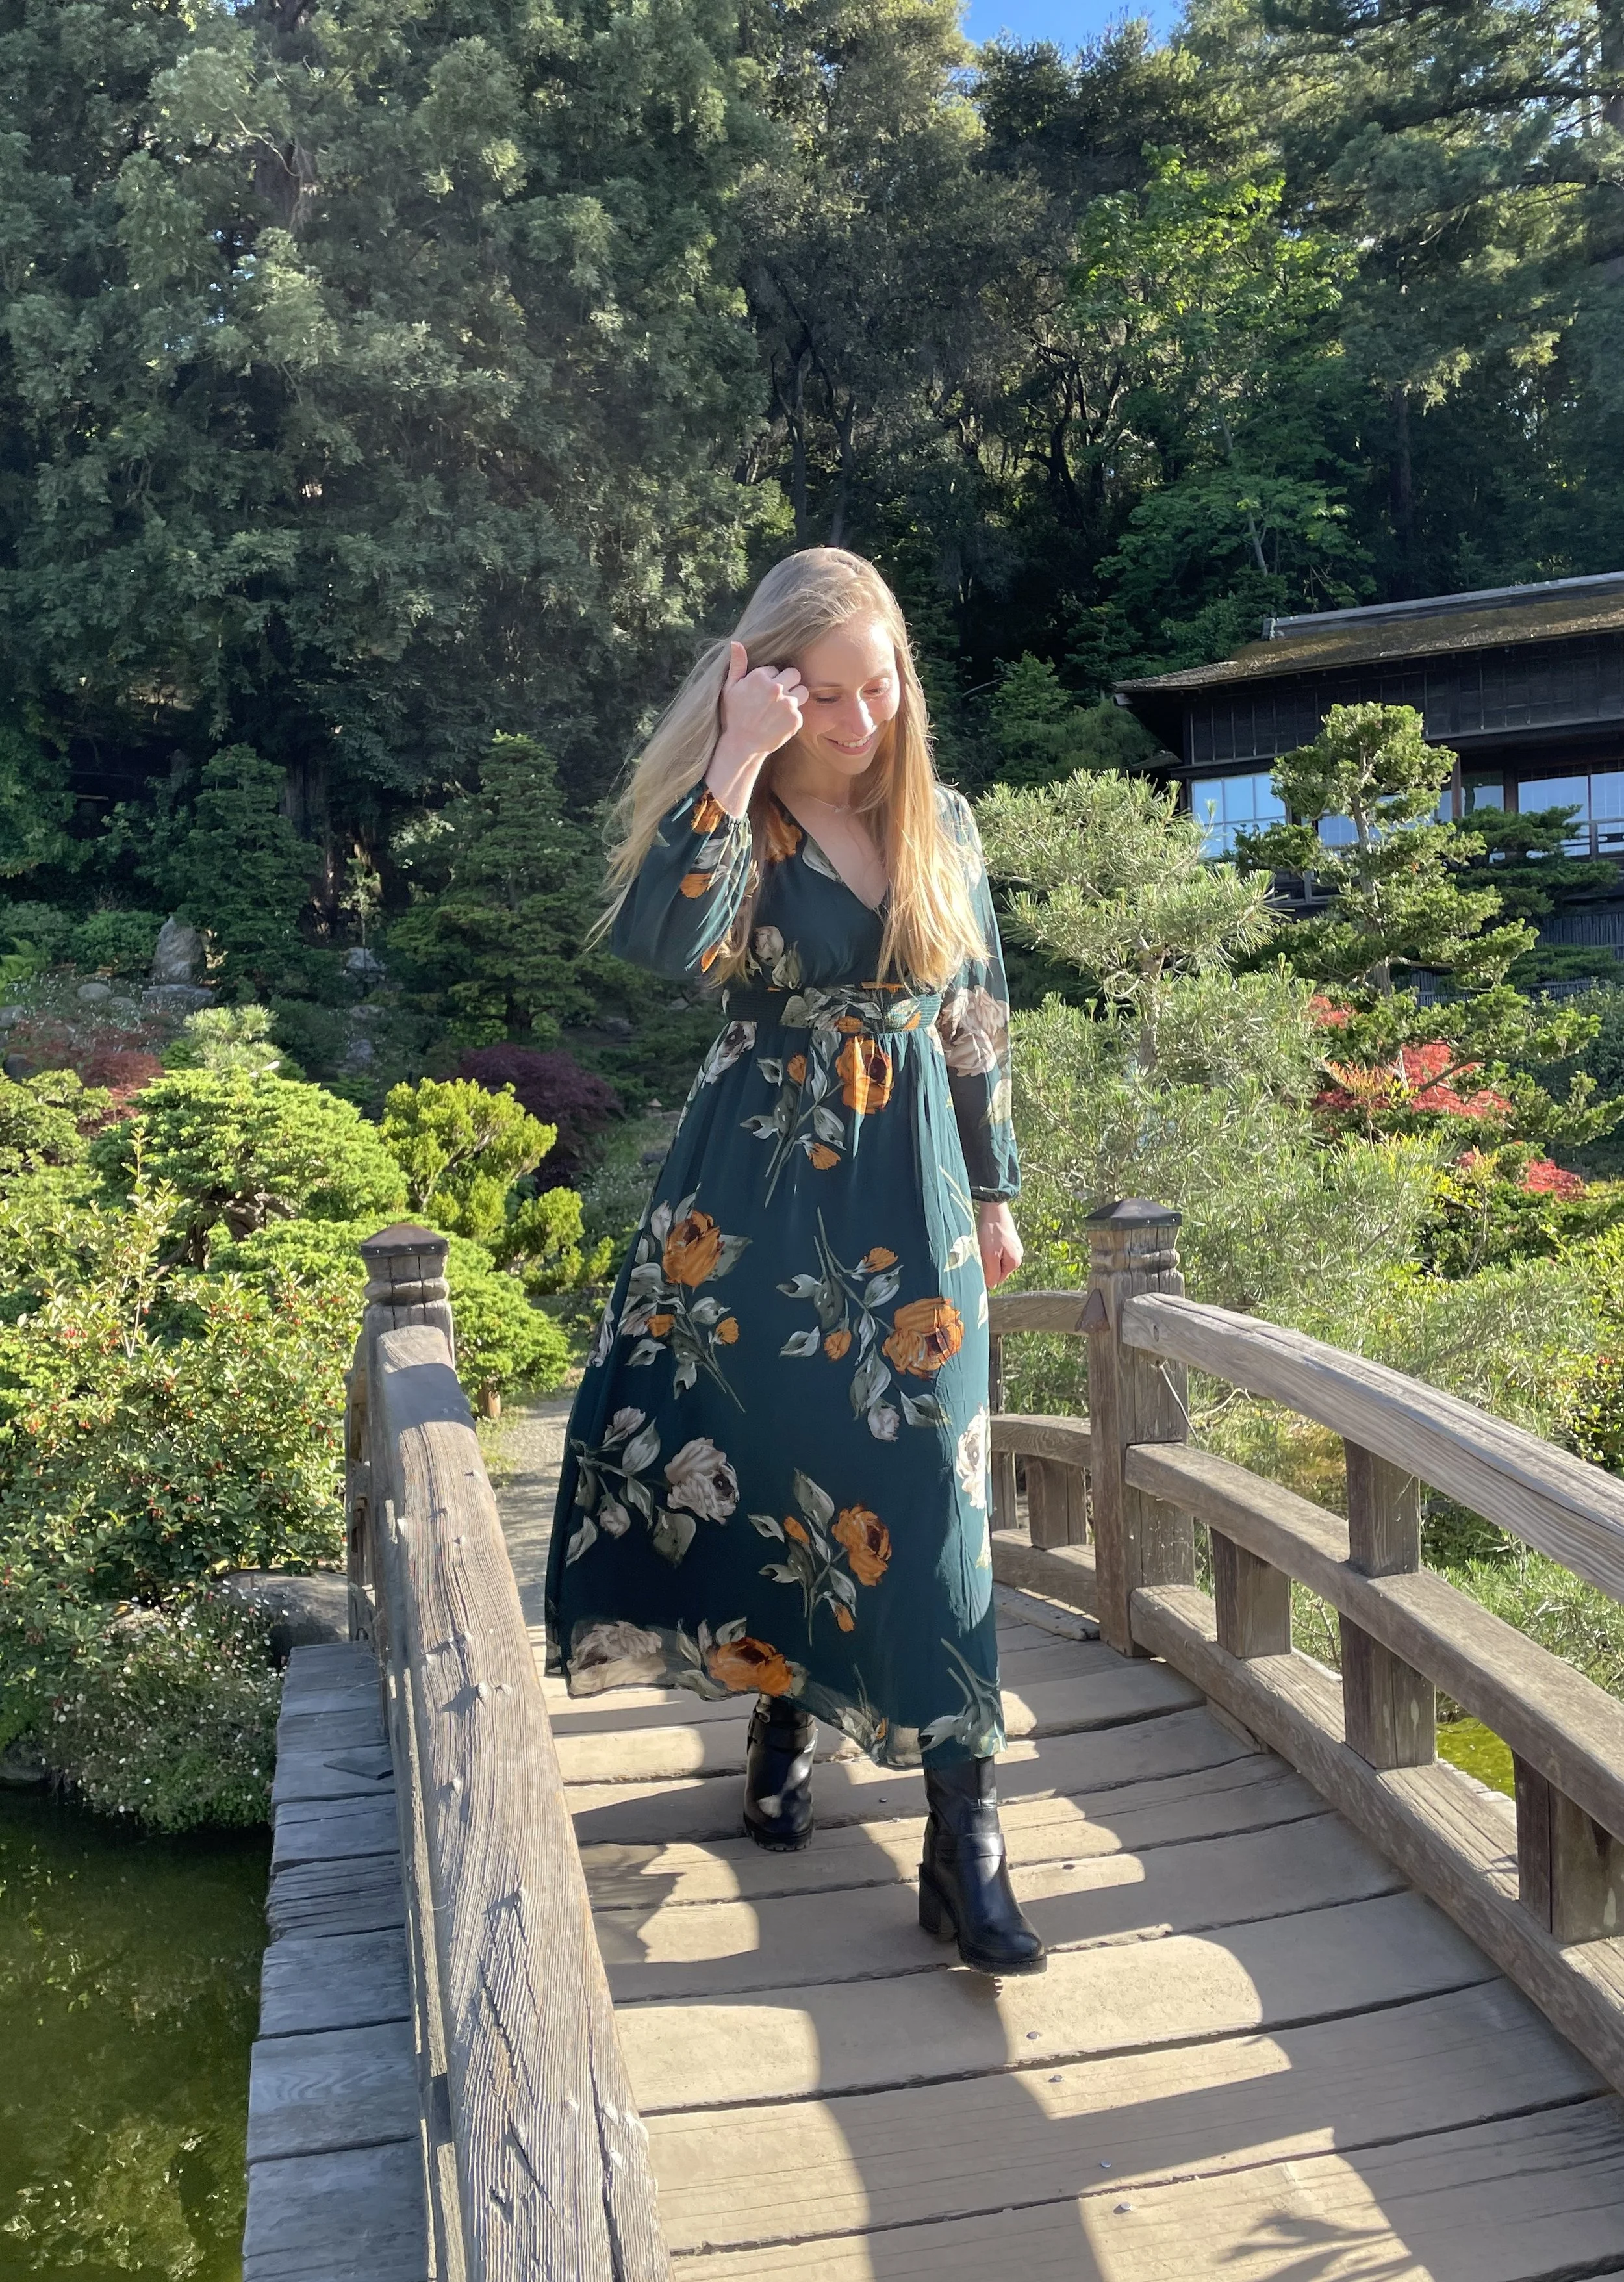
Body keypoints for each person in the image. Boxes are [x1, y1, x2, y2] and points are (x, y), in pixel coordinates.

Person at [545, 547, 1044, 1976]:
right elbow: (656, 943)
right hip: (761, 1204)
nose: (852, 718)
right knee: (772, 1469)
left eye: (872, 684)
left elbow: (976, 1016)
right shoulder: (741, 822)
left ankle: (966, 1842)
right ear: (760, 682)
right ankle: (783, 1711)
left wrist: (996, 1186)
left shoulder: (938, 817)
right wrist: (731, 756)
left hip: (917, 1202)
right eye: (814, 693)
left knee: (932, 1506)